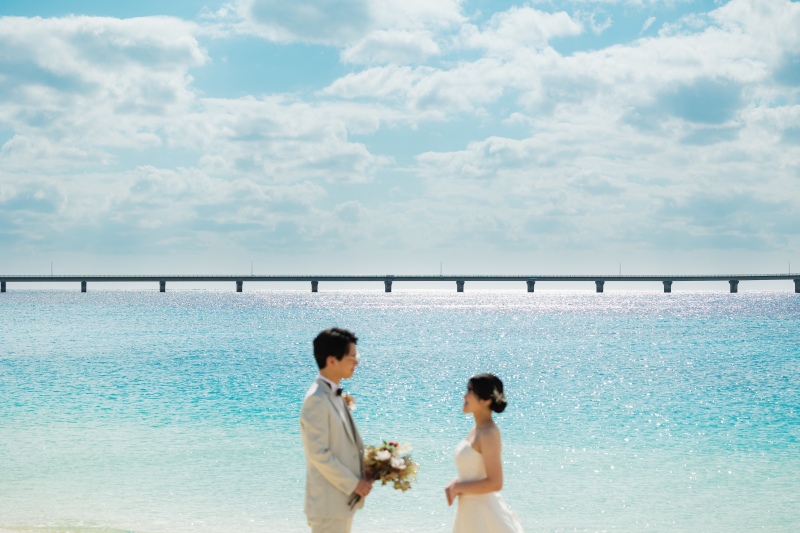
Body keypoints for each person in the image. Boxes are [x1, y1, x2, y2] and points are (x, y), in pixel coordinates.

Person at [301, 328, 371, 533]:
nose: (356, 362)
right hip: (327, 506)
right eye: (352, 357)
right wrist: (354, 484)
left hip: (340, 504)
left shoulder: (333, 395)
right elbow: (318, 453)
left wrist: (367, 469)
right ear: (332, 361)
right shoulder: (316, 400)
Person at [445, 373, 524, 533]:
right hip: (469, 511)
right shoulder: (477, 430)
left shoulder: (489, 434)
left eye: (470, 391)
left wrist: (458, 487)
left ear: (486, 400)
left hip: (483, 513)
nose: (464, 396)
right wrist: (457, 482)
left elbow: (495, 483)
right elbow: (475, 470)